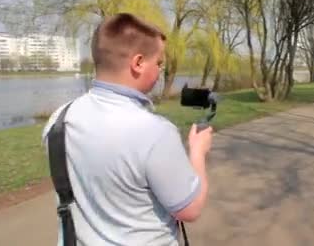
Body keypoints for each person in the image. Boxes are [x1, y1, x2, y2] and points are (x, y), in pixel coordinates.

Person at [42, 13, 213, 245]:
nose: (161, 71)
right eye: (159, 63)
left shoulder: (58, 120)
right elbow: (190, 210)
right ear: (139, 63)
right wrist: (197, 152)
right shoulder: (155, 132)